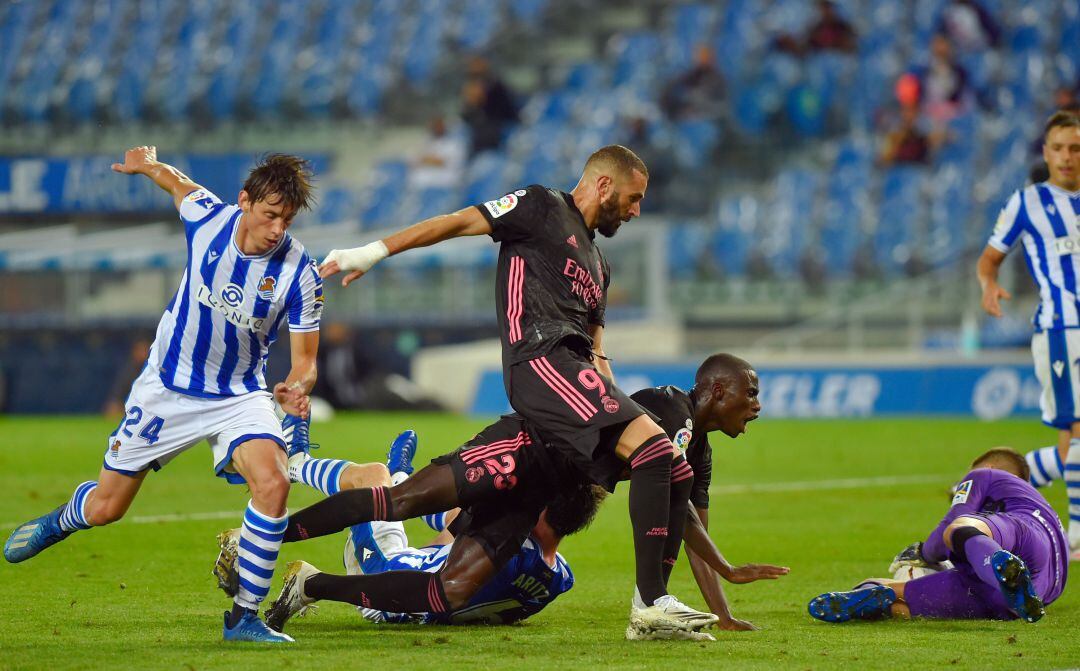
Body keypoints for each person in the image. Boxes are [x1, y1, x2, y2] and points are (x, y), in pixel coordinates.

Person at [318, 145, 714, 636]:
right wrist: (377, 250)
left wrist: (616, 411)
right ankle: (649, 603)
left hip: (577, 378)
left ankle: (652, 600)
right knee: (654, 448)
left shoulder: (599, 265)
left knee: (671, 465)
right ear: (604, 185)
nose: (636, 211)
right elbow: (459, 222)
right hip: (539, 360)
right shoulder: (541, 206)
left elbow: (596, 350)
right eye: (633, 199)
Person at [3, 147, 323, 644]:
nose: (278, 228)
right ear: (244, 202)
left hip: (238, 395)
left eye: (286, 219)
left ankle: (243, 618)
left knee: (274, 483)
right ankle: (61, 521)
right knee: (107, 509)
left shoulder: (301, 272)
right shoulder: (208, 218)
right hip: (167, 389)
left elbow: (305, 362)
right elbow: (177, 182)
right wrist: (146, 164)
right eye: (269, 215)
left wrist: (295, 388)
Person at [259, 435, 604, 630]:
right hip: (424, 579)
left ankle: (296, 461)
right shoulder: (560, 577)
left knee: (372, 479)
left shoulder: (510, 551)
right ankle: (402, 481)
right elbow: (450, 547)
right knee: (448, 516)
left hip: (386, 581)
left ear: (543, 508)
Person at [976, 111, 1080, 559]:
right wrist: (988, 285)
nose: (1066, 157)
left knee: (1072, 440)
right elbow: (989, 258)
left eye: (1075, 148)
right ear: (1045, 152)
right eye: (1058, 148)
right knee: (1075, 430)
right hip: (1062, 327)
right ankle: (1075, 532)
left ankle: (990, 486)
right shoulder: (1028, 203)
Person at [807, 447, 1067, 623]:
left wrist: (923, 552)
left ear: (988, 467)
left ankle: (1002, 573)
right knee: (898, 599)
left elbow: (949, 526)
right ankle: (877, 593)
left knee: (957, 528)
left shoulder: (985, 475)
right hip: (1037, 593)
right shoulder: (1043, 510)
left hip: (1023, 537)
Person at [628, 354, 789, 633]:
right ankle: (649, 602)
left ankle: (649, 604)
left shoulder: (699, 452)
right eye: (751, 394)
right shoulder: (673, 409)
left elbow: (695, 535)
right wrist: (729, 570)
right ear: (718, 391)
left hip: (582, 479)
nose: (757, 406)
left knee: (672, 512)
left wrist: (723, 617)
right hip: (558, 461)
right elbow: (680, 510)